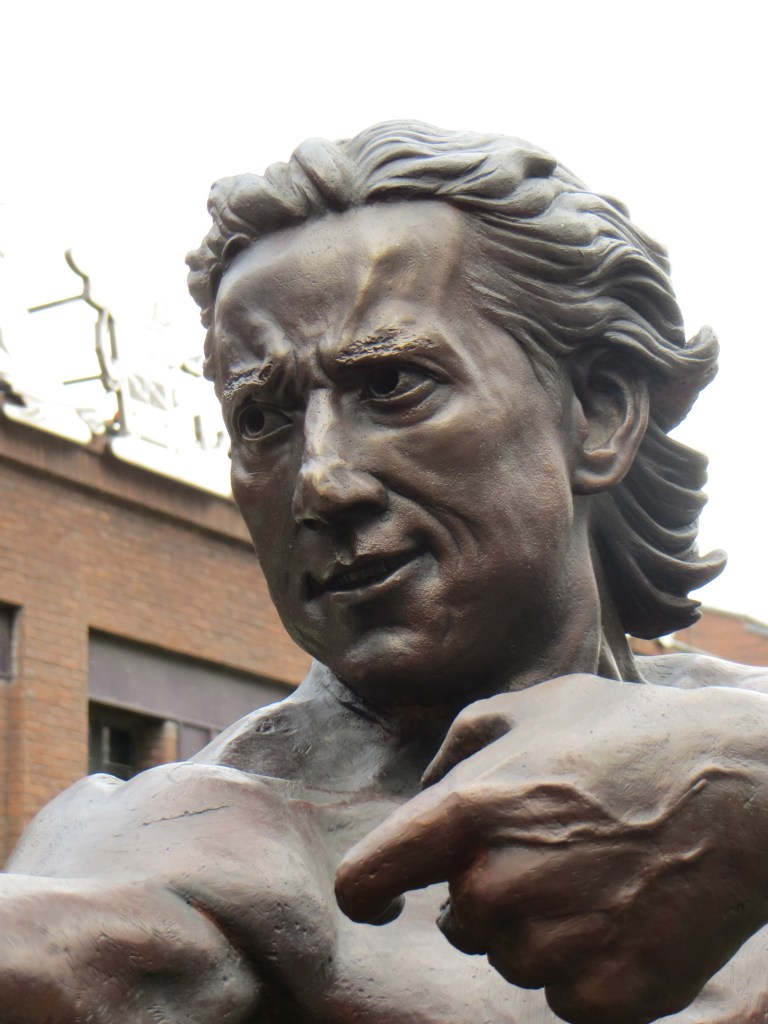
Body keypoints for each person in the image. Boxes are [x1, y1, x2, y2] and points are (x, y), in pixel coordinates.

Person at [2, 121, 768, 1024]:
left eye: (393, 385)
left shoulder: (736, 723)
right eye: (261, 421)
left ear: (600, 413)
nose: (319, 481)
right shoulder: (177, 843)